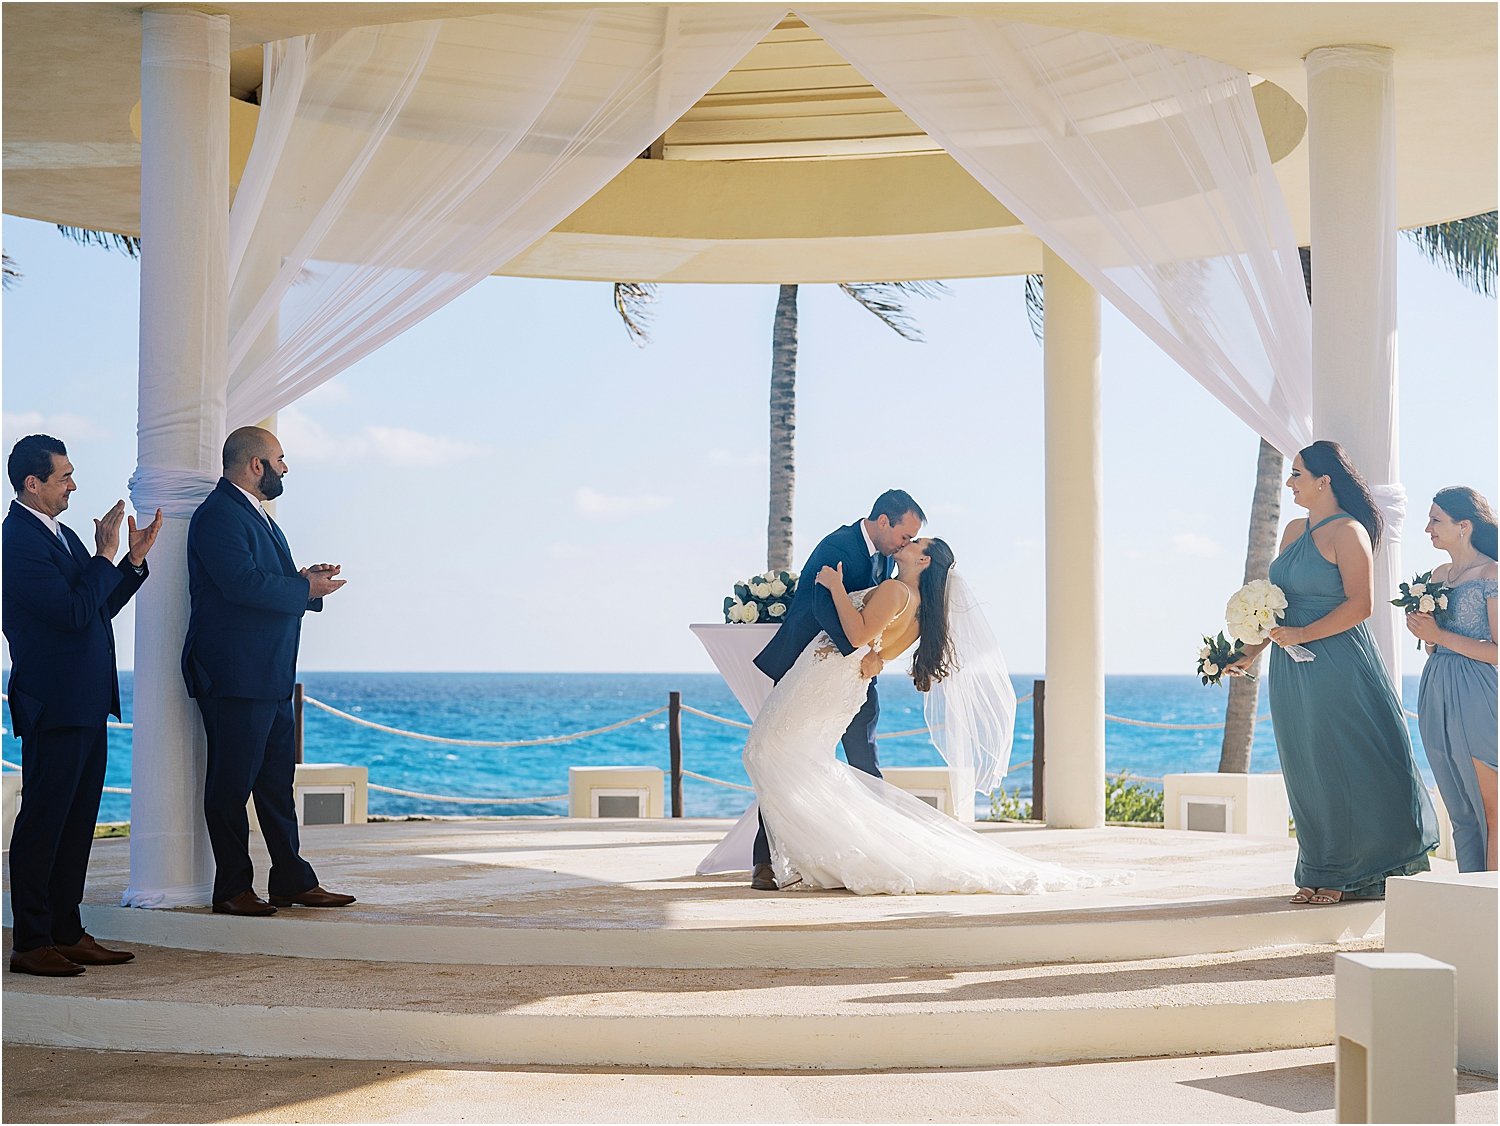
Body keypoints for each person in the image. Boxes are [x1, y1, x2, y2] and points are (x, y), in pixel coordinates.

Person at [709, 534, 1122, 895]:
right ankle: (806, 854)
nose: (908, 544)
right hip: (841, 684)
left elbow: (855, 637)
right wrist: (873, 656)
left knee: (766, 751)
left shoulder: (895, 590)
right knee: (792, 760)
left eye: (916, 543)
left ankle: (811, 853)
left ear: (923, 561)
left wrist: (835, 587)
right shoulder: (923, 609)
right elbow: (878, 651)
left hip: (824, 676)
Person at [1227, 440, 1437, 903]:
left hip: (1338, 663)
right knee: (1306, 766)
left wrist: (1303, 636)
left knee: (1344, 763)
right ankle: (1318, 868)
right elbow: (1277, 605)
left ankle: (1349, 873)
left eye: (1298, 473)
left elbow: (1360, 606)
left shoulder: (1349, 532)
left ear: (1325, 480)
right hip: (1291, 669)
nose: (1290, 482)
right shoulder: (1292, 531)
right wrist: (1248, 652)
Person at [3, 435, 162, 975]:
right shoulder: (16, 542)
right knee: (44, 822)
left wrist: (131, 564)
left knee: (77, 822)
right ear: (33, 482)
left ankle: (66, 931)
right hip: (53, 701)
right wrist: (104, 555)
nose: (73, 484)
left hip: (88, 700)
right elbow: (70, 614)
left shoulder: (63, 535)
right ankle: (31, 941)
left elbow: (95, 609)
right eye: (65, 475)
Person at [183, 426, 355, 917]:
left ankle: (292, 880)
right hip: (236, 676)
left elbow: (263, 582)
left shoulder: (253, 513)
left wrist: (304, 582)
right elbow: (241, 585)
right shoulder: (218, 515)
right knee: (230, 787)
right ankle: (233, 889)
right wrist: (304, 591)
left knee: (277, 785)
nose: (285, 468)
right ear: (255, 464)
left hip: (270, 676)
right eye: (279, 459)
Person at [742, 489, 924, 891]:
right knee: (784, 759)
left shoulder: (886, 560)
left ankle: (878, 850)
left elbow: (882, 618)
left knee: (864, 760)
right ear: (882, 522)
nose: (905, 543)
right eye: (904, 534)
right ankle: (766, 862)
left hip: (851, 676)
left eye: (912, 540)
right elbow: (824, 607)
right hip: (809, 669)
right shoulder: (839, 545)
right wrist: (858, 650)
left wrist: (872, 657)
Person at [1406, 486, 1497, 871]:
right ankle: (1471, 902)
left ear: (1464, 525)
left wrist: (1439, 636)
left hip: (1476, 692)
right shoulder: (1439, 575)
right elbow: (1436, 644)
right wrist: (1426, 636)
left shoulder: (1492, 574)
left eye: (1435, 520)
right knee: (1459, 808)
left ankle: (1493, 909)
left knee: (1492, 809)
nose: (1427, 527)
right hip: (1436, 685)